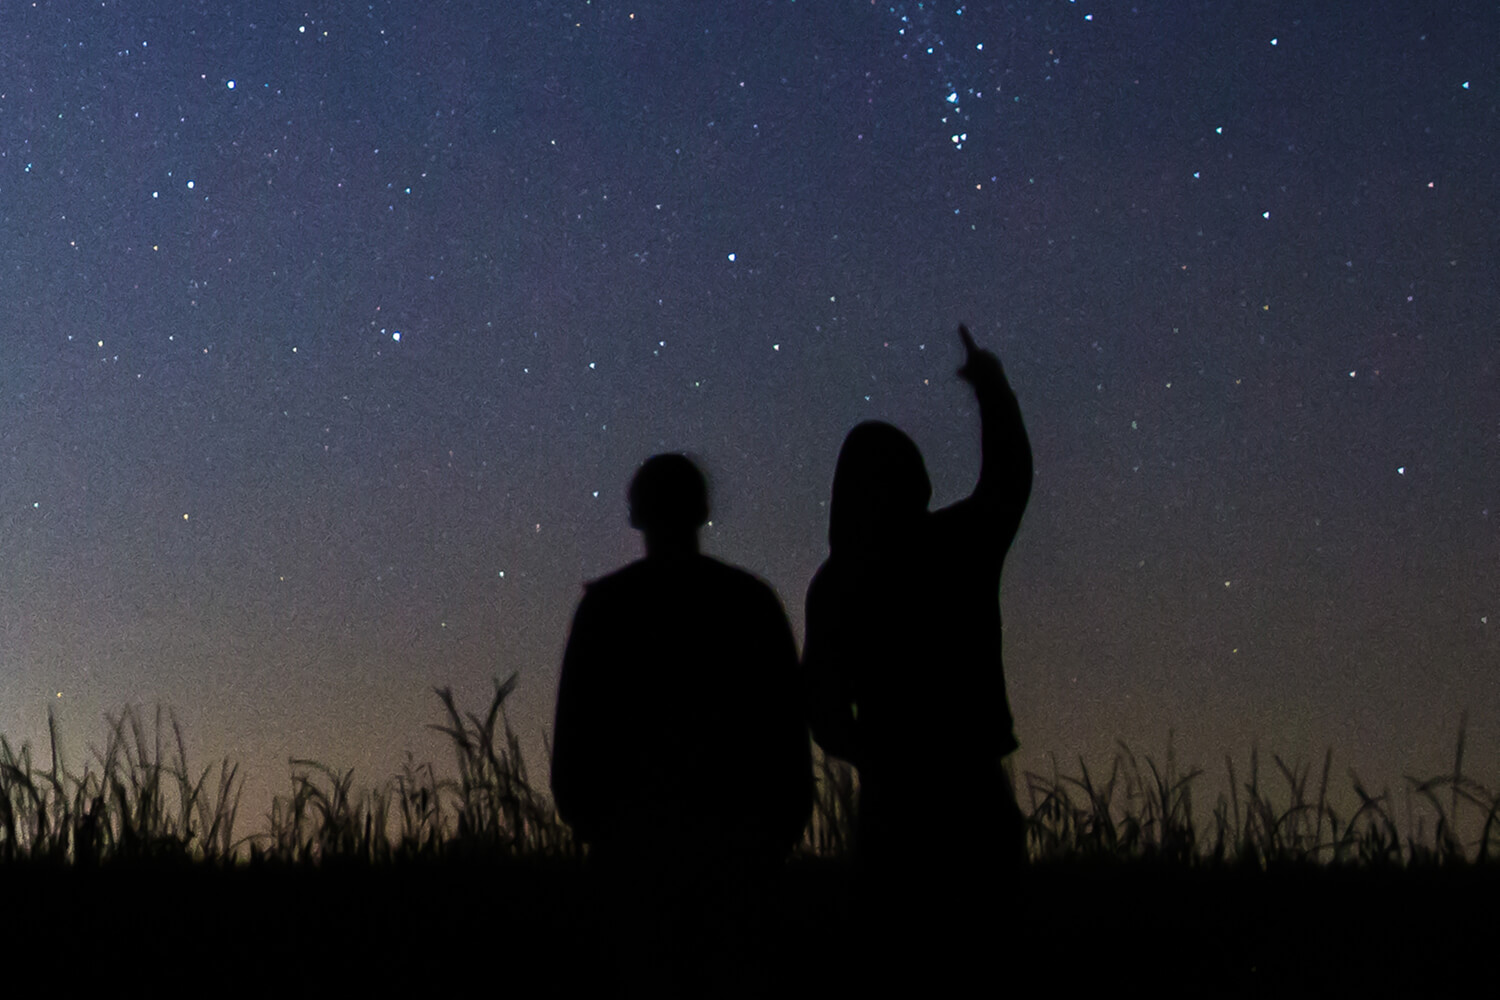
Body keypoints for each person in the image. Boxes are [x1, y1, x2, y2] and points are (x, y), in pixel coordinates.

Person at [551, 453, 813, 993]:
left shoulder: (606, 609)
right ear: (703, 511)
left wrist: (599, 833)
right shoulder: (751, 603)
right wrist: (772, 839)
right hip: (739, 861)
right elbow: (788, 734)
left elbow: (575, 739)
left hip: (635, 862)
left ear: (635, 515)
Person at [804, 325, 1032, 879]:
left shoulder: (837, 582)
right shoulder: (957, 546)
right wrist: (991, 387)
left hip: (891, 803)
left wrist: (872, 755)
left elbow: (823, 707)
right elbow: (1009, 477)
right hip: (974, 786)